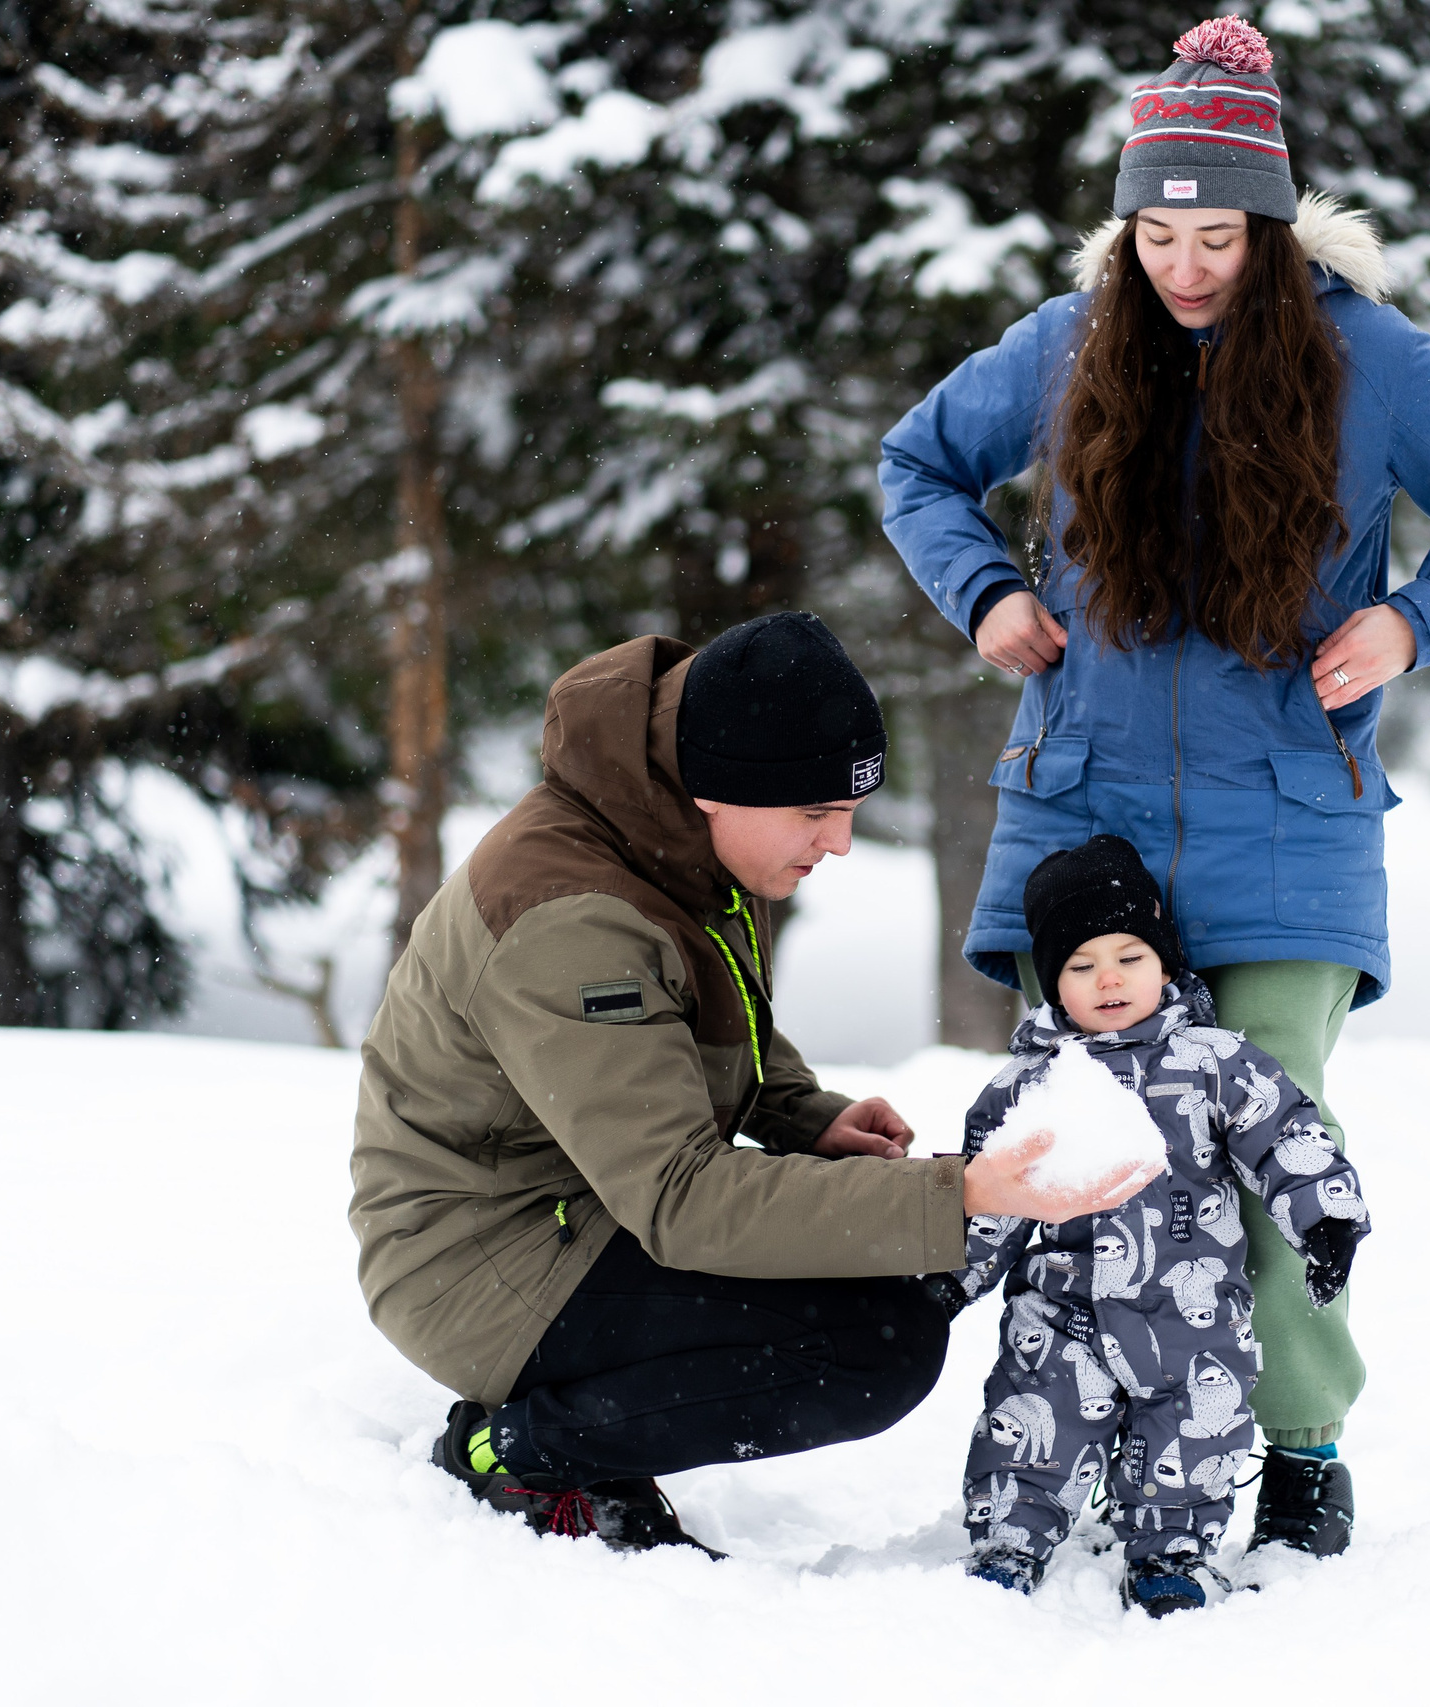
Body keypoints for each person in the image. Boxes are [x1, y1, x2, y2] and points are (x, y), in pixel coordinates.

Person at [879, 16, 1430, 1552]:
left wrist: (1409, 615)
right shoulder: (1068, 348)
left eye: (1217, 236)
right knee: (1081, 1144)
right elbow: (917, 464)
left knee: (1270, 1144)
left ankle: (1296, 1440)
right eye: (1157, 233)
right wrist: (985, 592)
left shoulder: (1367, 359)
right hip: (1083, 805)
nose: (1186, 267)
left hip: (1289, 823)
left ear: (1270, 230)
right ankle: (1069, 1436)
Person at [349, 616, 1158, 1552]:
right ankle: (517, 1451)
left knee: (886, 1286)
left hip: (581, 1204)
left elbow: (696, 1017)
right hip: (478, 1258)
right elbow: (682, 1197)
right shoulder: (570, 921)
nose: (841, 842)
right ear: (716, 790)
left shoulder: (667, 835)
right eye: (815, 814)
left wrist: (802, 1116)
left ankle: (579, 1428)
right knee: (871, 1347)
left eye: (850, 811)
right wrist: (959, 1193)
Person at [946, 836, 1370, 1615]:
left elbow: (1282, 1135)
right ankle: (1008, 1538)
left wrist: (1327, 1218)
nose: (1108, 978)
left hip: (1191, 1310)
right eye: (1081, 965)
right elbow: (991, 1192)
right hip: (1064, 1308)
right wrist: (949, 1273)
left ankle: (1173, 1551)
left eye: (1129, 955)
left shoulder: (1214, 1059)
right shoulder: (1029, 1085)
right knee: (1031, 1425)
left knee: (1192, 1437)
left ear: (1165, 964)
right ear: (1055, 985)